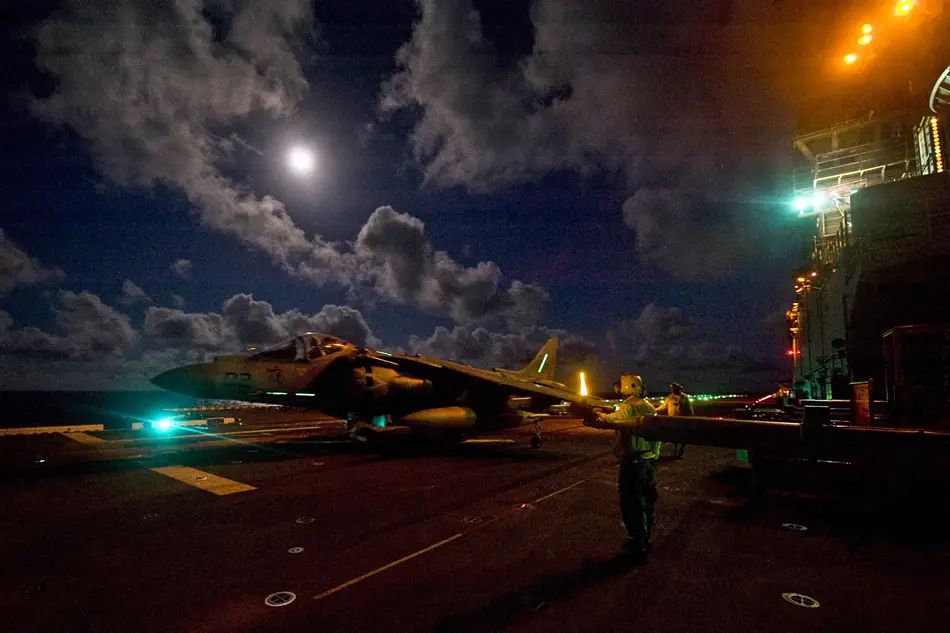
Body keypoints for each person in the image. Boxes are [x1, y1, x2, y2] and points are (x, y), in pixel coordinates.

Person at [582, 373, 661, 562]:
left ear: (627, 387)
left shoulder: (628, 406)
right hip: (649, 462)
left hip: (632, 464)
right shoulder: (650, 407)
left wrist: (593, 415)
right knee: (647, 501)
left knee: (631, 502)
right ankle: (646, 539)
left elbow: (612, 419)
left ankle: (638, 543)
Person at [656, 382, 693, 458]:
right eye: (671, 389)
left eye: (673, 388)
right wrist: (655, 409)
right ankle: (675, 451)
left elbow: (689, 409)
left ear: (678, 389)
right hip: (672, 420)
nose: (672, 390)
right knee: (674, 437)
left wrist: (690, 419)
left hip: (682, 420)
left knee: (683, 437)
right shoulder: (670, 397)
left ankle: (680, 450)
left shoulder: (685, 397)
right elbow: (663, 406)